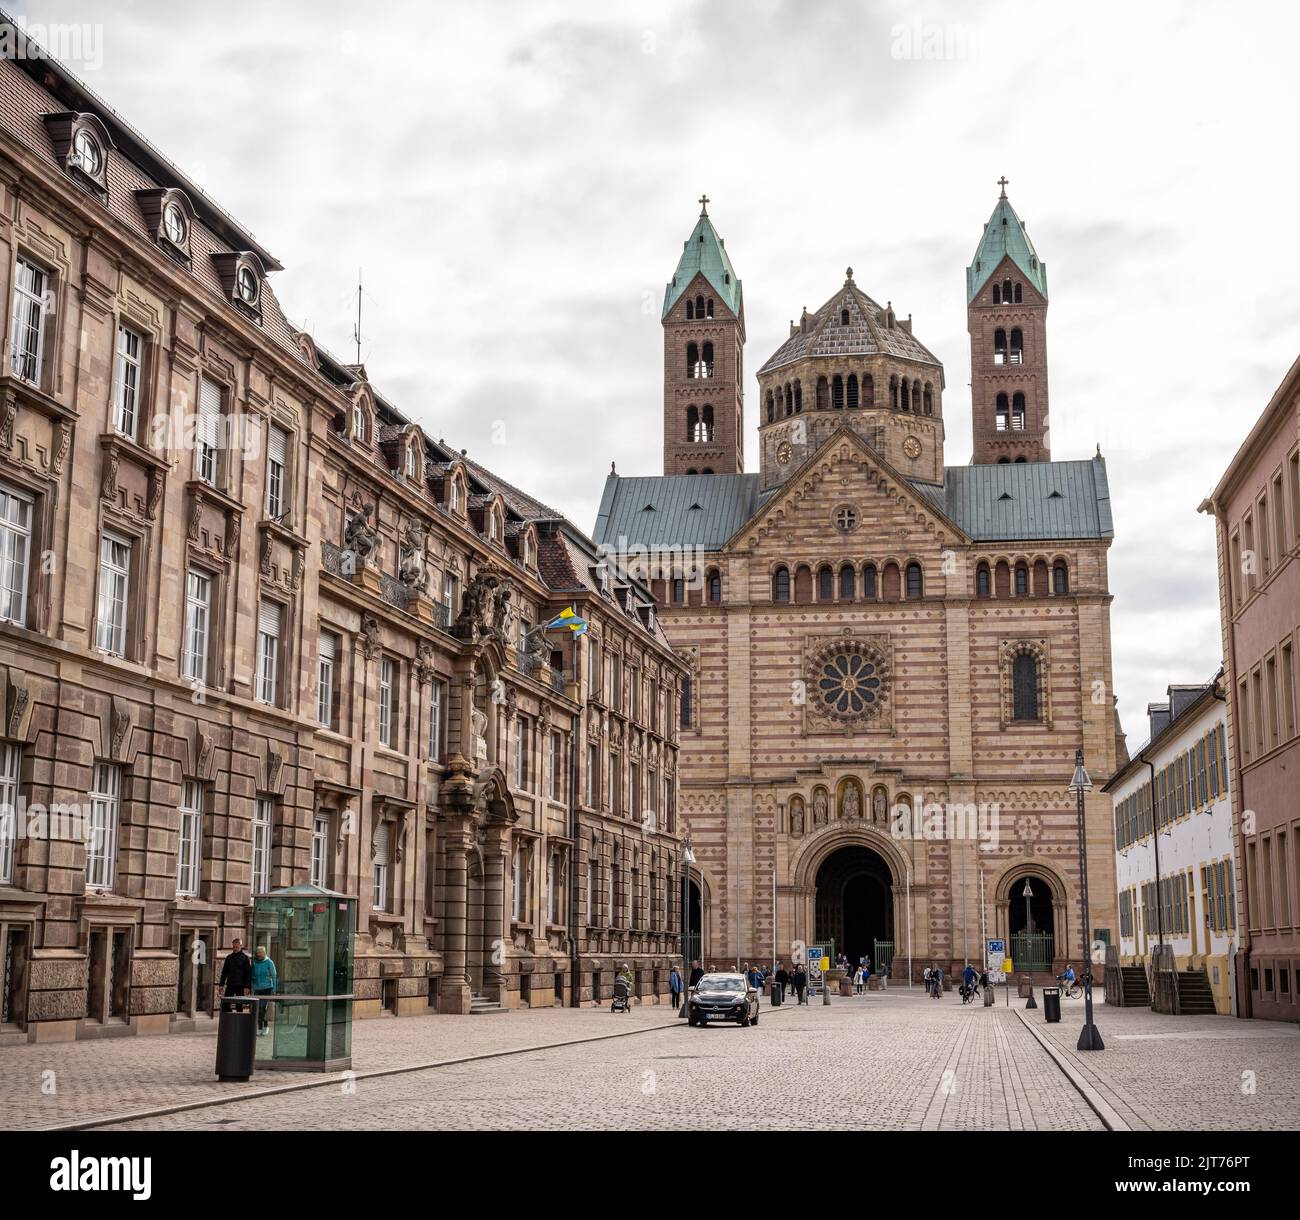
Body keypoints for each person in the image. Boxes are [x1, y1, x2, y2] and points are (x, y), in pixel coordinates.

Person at [252, 945, 278, 1035]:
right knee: (258, 1008)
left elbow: (274, 976)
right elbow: (252, 976)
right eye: (258, 953)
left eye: (260, 953)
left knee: (263, 1008)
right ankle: (259, 1027)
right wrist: (252, 985)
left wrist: (274, 989)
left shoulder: (269, 962)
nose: (259, 954)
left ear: (264, 953)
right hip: (257, 988)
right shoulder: (255, 963)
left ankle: (265, 1026)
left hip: (267, 988)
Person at [219, 937, 252, 1003]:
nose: (235, 949)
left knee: (239, 1005)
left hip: (240, 985)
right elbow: (224, 972)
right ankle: (229, 1013)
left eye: (236, 947)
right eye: (233, 947)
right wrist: (221, 985)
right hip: (230, 984)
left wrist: (247, 987)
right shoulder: (229, 957)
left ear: (240, 946)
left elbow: (248, 973)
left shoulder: (245, 958)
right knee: (225, 1003)